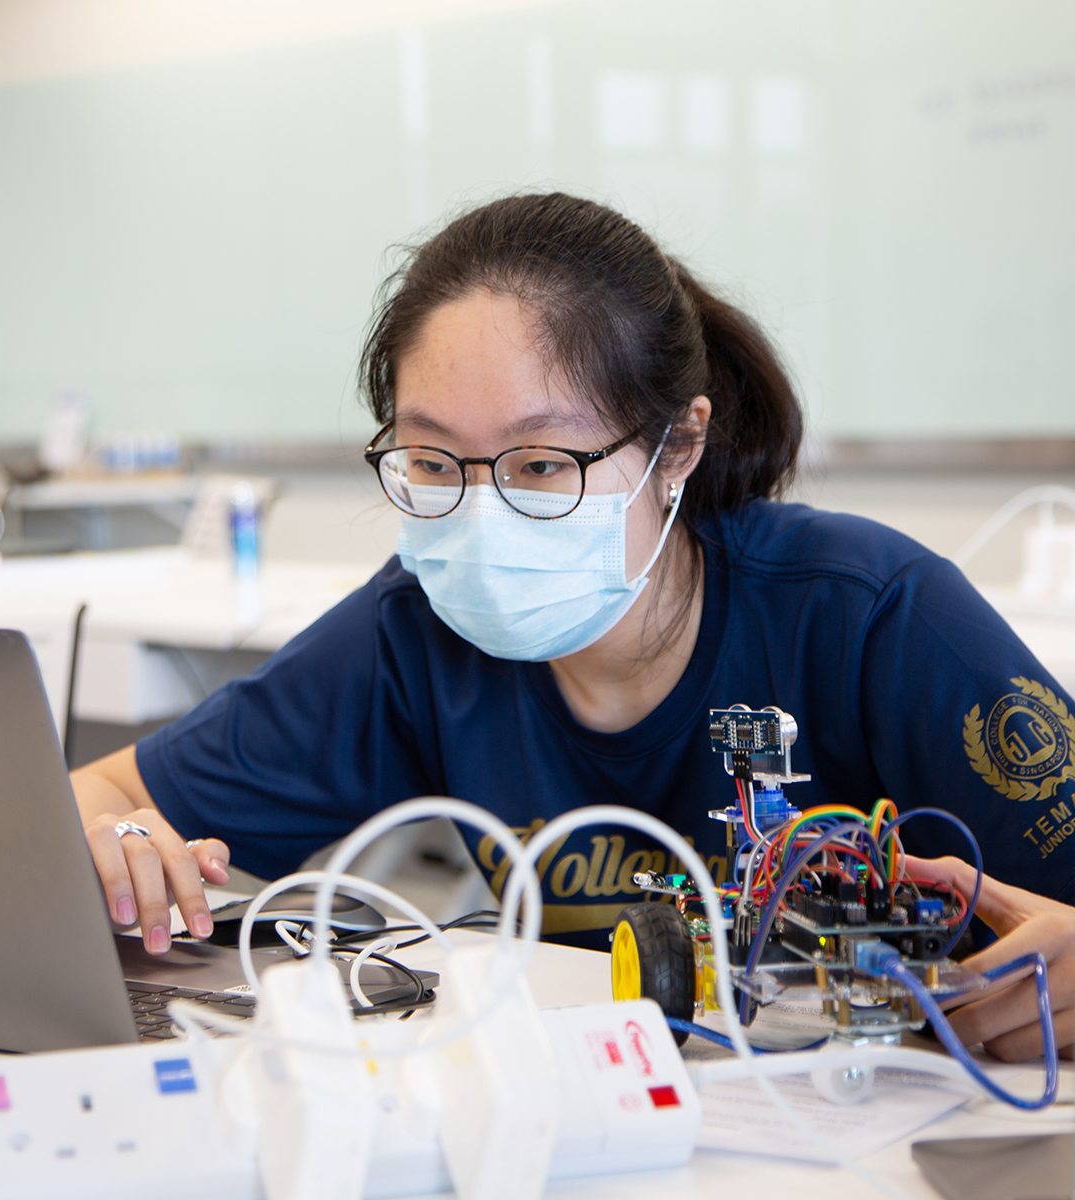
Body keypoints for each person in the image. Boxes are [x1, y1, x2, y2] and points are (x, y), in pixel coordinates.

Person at [73, 192, 1073, 1063]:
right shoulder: (415, 636)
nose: (480, 514)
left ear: (678, 445)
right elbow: (104, 793)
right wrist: (116, 838)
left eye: (542, 464)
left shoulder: (867, 614)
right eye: (431, 461)